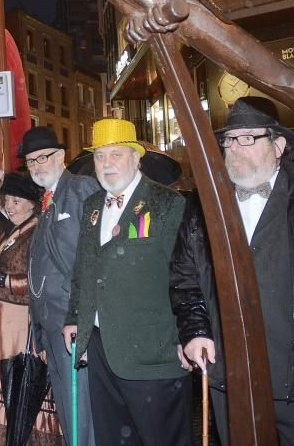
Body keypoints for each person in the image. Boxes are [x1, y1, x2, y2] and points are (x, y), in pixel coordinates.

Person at [170, 98, 294, 445]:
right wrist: (195, 330)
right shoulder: (205, 200)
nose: (234, 147)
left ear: (278, 145)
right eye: (230, 139)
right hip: (233, 377)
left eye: (247, 138)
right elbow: (184, 276)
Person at [64, 118, 190, 446]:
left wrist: (186, 335)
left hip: (153, 351)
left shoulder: (167, 204)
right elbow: (83, 269)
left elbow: (185, 275)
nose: (107, 164)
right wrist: (73, 319)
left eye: (116, 155)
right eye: (100, 156)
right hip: (100, 347)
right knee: (113, 439)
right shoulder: (92, 207)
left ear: (136, 158)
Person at [21, 126, 99, 446]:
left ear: (61, 156)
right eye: (30, 161)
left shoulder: (81, 189)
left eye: (43, 157)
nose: (37, 165)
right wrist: (38, 330)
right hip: (50, 325)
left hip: (73, 322)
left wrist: (81, 315)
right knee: (69, 409)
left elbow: (93, 255)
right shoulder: (46, 200)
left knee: (83, 411)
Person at [0, 172, 45, 446]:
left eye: (17, 201)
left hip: (17, 324)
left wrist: (5, 280)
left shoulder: (38, 231)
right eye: (8, 200)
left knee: (18, 385)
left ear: (32, 203)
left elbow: (42, 279)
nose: (10, 206)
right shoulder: (10, 229)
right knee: (0, 384)